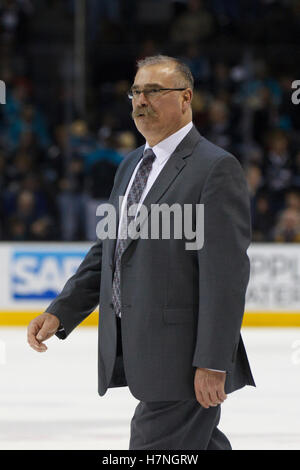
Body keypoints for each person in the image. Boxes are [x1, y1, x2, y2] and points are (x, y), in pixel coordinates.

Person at [27, 55, 255, 450]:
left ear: (186, 98)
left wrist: (214, 362)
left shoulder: (216, 168)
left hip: (184, 361)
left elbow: (226, 277)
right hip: (142, 351)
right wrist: (61, 310)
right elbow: (108, 252)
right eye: (135, 91)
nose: (140, 100)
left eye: (153, 91)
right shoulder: (131, 164)